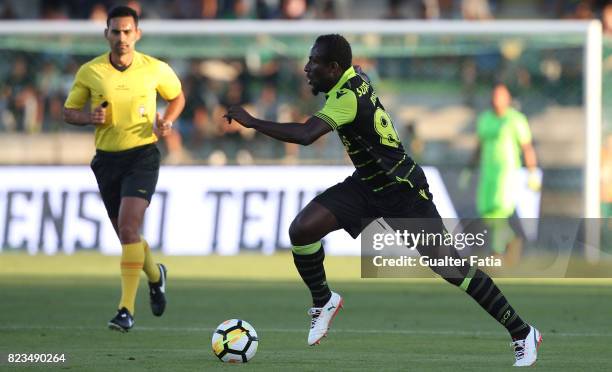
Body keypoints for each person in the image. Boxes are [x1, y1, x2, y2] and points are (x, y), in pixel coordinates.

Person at [225, 34, 541, 367]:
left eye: (314, 63)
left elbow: (306, 136)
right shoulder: (352, 80)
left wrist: (252, 121)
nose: (306, 69)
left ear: (333, 68)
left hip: (403, 192)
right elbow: (359, 76)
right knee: (302, 230)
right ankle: (324, 299)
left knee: (452, 267)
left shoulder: (347, 97)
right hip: (367, 185)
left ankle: (522, 332)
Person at [63, 6, 185, 332]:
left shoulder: (155, 69)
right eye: (115, 32)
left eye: (127, 31)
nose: (122, 38)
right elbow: (69, 112)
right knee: (127, 236)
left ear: (137, 34)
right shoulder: (91, 72)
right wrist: (89, 117)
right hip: (107, 161)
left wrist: (168, 120)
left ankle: (125, 310)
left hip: (142, 155)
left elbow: (177, 97)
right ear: (107, 34)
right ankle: (157, 276)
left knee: (129, 230)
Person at [464, 83, 539, 262]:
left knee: (499, 209)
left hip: (506, 173)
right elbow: (479, 147)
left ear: (507, 99)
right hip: (487, 172)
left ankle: (497, 251)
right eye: (495, 95)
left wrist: (532, 172)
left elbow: (527, 147)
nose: (497, 99)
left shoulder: (516, 120)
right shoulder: (484, 119)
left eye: (501, 96)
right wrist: (469, 169)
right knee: (486, 211)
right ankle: (511, 239)